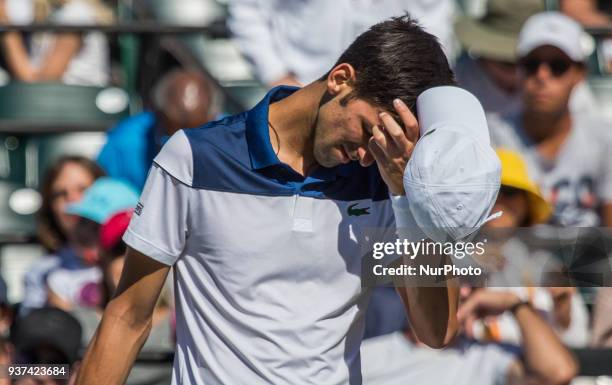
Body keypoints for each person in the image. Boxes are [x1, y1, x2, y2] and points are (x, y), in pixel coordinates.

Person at [74, 16, 479, 384]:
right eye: (366, 131)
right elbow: (128, 316)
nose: (365, 155)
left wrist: (410, 196)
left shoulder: (386, 181)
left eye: (382, 143)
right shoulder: (193, 158)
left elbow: (436, 331)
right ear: (341, 78)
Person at [488, 12, 612, 227]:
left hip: (589, 261)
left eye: (558, 66)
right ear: (518, 69)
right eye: (532, 64)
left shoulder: (604, 139)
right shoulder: (490, 135)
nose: (542, 76)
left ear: (579, 74)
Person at [472, 149, 589, 348]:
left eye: (509, 191)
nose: (498, 200)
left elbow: (577, 341)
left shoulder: (548, 267)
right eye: (489, 190)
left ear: (526, 204)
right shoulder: (444, 258)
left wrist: (563, 310)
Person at [361, 287, 578, 385]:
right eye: (451, 280)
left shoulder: (487, 357)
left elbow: (557, 373)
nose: (463, 293)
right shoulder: (364, 357)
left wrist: (515, 304)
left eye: (472, 282)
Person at [227, 0, 456, 88]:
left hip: (384, 104)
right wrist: (276, 76)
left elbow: (434, 32)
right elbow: (247, 11)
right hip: (300, 88)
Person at [71, 209, 174, 385]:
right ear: (102, 260)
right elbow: (34, 369)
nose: (132, 262)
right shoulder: (75, 321)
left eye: (145, 253)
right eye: (120, 250)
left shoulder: (182, 324)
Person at [454, 0, 599, 118]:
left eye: (556, 66)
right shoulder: (458, 81)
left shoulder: (571, 92)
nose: (542, 75)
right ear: (484, 54)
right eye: (508, 63)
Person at [96, 68, 220, 191]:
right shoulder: (123, 144)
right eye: (175, 134)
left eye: (197, 136)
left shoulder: (233, 139)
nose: (186, 147)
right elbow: (105, 196)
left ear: (213, 117)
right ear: (157, 115)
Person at [21, 156, 105, 316]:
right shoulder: (41, 272)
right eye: (60, 194)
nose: (72, 200)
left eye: (83, 190)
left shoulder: (130, 261)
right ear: (50, 207)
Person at [45, 177, 139, 312]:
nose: (85, 233)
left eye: (98, 228)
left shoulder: (134, 273)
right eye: (82, 221)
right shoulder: (61, 278)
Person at [0, 0, 113, 86]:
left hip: (72, 104)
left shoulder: (76, 13)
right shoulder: (59, 13)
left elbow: (41, 82)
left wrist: (6, 25)